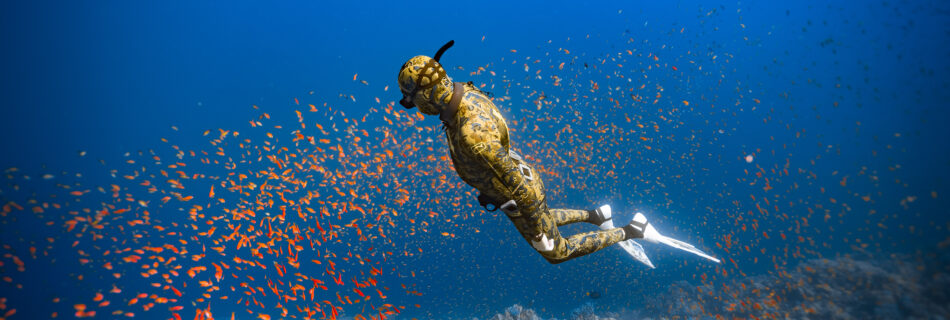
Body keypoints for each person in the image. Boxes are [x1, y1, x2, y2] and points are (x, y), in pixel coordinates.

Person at [397, 41, 720, 265]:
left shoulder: (471, 134)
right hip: (516, 181)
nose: (415, 107)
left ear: (427, 94)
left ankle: (633, 230)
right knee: (544, 218)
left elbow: (517, 186)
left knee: (555, 252)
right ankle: (597, 216)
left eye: (413, 100)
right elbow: (498, 159)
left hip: (519, 192)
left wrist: (535, 226)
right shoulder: (466, 94)